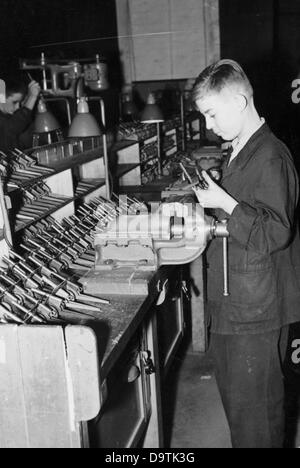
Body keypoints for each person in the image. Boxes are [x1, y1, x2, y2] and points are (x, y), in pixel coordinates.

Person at [191, 59, 300, 448]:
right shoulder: (241, 149)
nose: (208, 125)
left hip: (256, 310)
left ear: (239, 101)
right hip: (234, 302)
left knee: (257, 422)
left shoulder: (271, 155)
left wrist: (225, 202)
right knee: (241, 413)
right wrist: (216, 201)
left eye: (211, 114)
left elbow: (276, 230)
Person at [0, 72, 41, 152]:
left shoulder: (8, 115)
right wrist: (32, 97)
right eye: (14, 102)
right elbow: (12, 128)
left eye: (19, 102)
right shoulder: (4, 121)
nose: (17, 107)